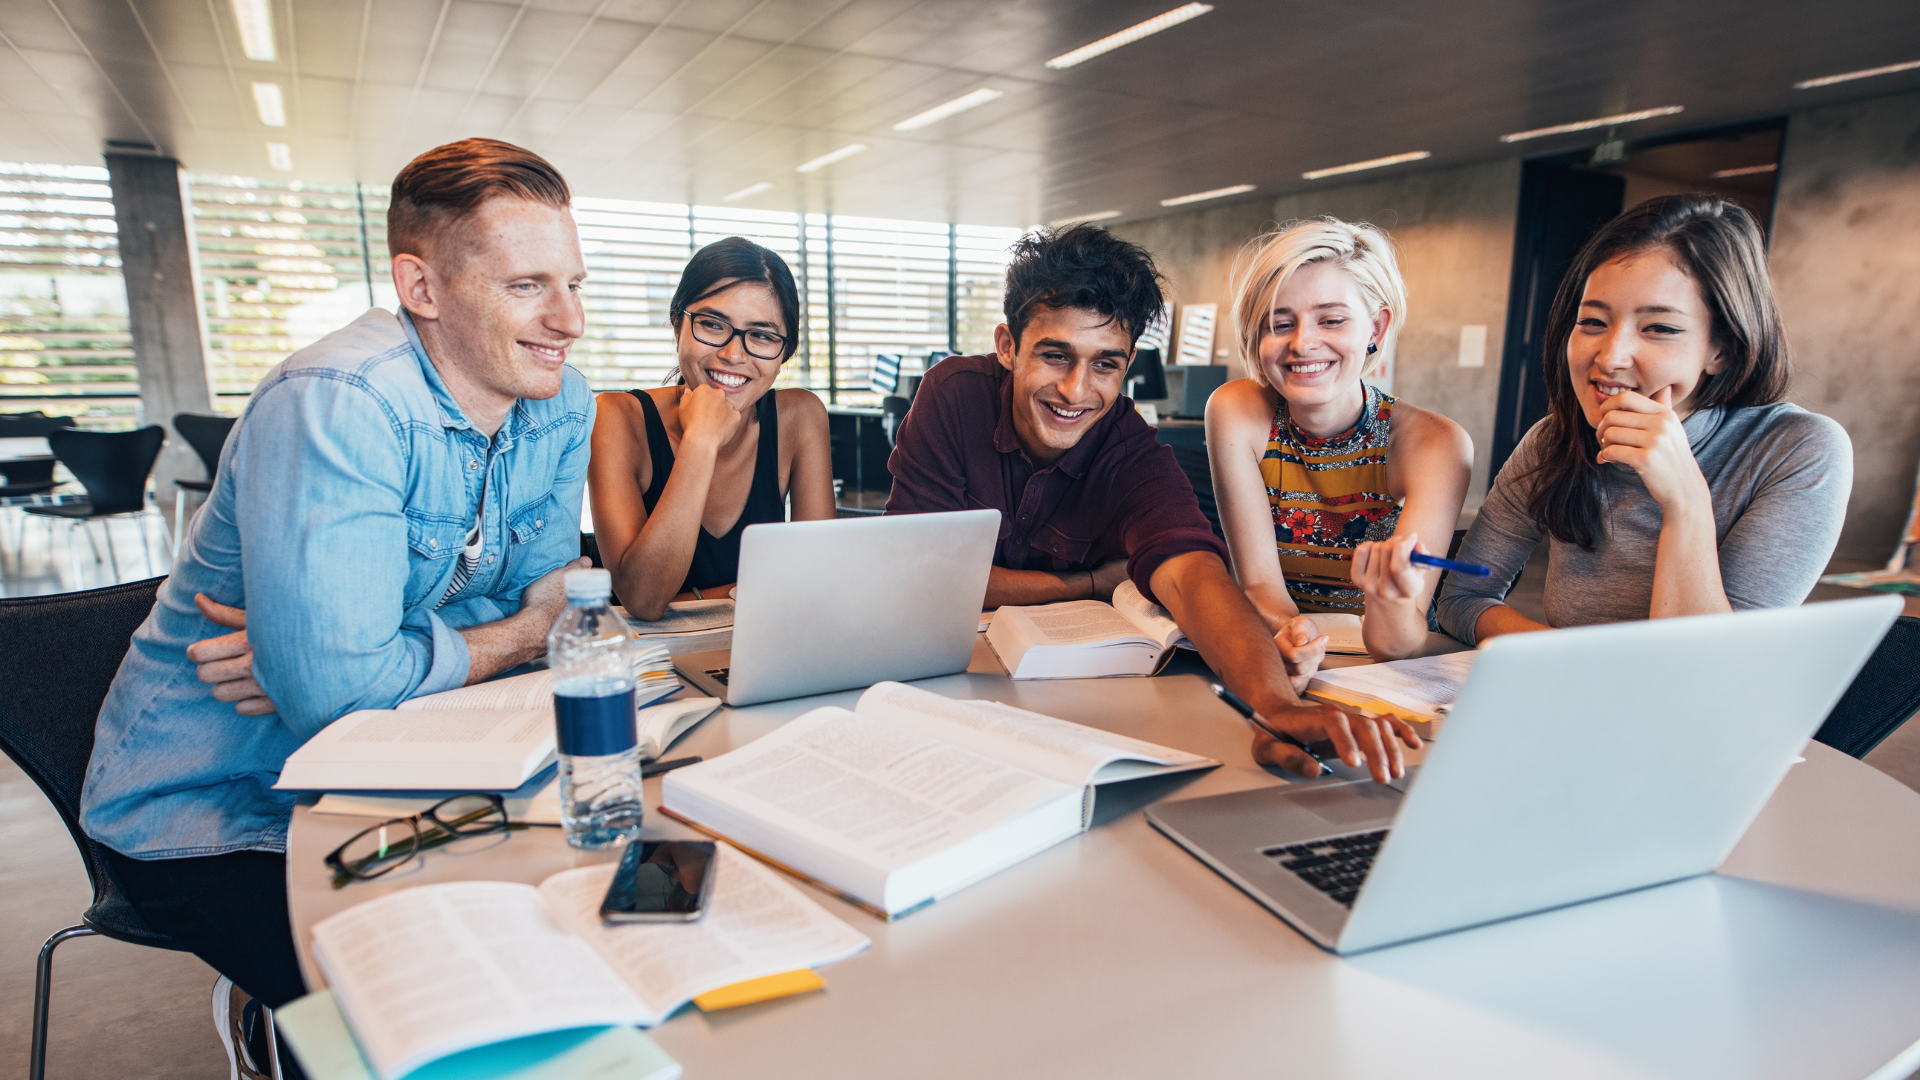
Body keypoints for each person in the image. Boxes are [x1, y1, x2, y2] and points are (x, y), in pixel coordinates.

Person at [79, 138, 596, 1065]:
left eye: (574, 282)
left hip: (405, 766)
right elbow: (356, 692)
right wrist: (504, 634)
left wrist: (351, 657)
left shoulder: (560, 401)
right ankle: (280, 1028)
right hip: (215, 807)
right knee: (458, 1002)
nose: (569, 319)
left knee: (576, 921)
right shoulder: (339, 402)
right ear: (422, 288)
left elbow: (562, 602)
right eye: (527, 285)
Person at [886, 224, 1418, 781]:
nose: (1075, 390)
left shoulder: (1129, 447)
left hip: (1060, 705)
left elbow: (1192, 573)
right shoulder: (953, 395)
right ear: (1007, 347)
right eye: (1054, 355)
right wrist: (1088, 583)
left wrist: (1276, 705)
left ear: (1128, 363)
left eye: (1105, 364)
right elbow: (918, 573)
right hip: (935, 686)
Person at [1434, 193, 1852, 644]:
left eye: (1659, 328)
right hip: (1573, 702)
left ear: (1721, 348)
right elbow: (1461, 599)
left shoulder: (1798, 449)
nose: (1611, 356)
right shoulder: (1552, 440)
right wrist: (1565, 664)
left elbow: (1709, 667)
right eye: (1593, 322)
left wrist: (1684, 500)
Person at [1208, 218, 1472, 672]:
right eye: (1279, 323)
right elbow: (1260, 589)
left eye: (1331, 320)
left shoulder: (1435, 443)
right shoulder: (1237, 411)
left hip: (1393, 668)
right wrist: (1297, 640)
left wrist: (1385, 600)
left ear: (1376, 328)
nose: (1303, 342)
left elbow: (1401, 642)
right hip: (1292, 651)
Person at [588, 238, 833, 620]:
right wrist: (701, 439)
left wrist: (689, 600)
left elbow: (817, 582)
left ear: (784, 353)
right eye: (712, 325)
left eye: (763, 335)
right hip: (652, 664)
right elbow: (643, 599)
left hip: (767, 648)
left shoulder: (799, 417)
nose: (733, 354)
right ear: (677, 325)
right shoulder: (616, 417)